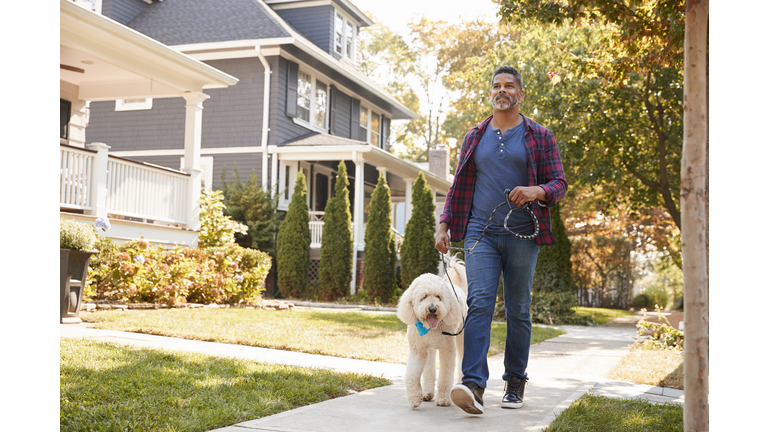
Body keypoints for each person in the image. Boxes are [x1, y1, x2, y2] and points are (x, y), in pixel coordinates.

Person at [435, 65, 568, 415]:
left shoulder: (539, 135)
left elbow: (559, 183)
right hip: (481, 230)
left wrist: (536, 190)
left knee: (518, 308)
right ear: (491, 92)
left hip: (523, 233)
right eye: (496, 85)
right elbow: (458, 186)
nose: (502, 90)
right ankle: (474, 384)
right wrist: (444, 224)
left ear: (520, 94)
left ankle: (514, 380)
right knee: (479, 302)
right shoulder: (474, 136)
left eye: (509, 86)